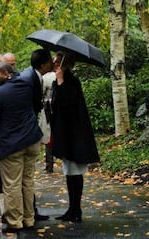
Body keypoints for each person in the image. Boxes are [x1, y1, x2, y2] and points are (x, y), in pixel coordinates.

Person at [0, 62, 43, 233]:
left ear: (6, 74)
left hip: (12, 145)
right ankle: (29, 218)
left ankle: (15, 222)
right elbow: (18, 75)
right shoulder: (25, 85)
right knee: (27, 181)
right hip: (32, 140)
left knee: (12, 184)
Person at [50, 52, 100, 223]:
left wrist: (61, 82)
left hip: (75, 134)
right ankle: (72, 208)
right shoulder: (56, 81)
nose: (54, 63)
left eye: (57, 60)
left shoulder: (72, 81)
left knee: (75, 172)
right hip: (64, 134)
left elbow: (69, 106)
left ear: (64, 63)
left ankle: (76, 209)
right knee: (69, 173)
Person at [40, 72, 56, 173]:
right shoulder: (59, 76)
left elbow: (41, 93)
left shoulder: (44, 78)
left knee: (48, 137)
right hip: (58, 108)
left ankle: (49, 165)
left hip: (47, 108)